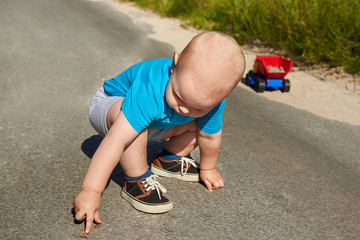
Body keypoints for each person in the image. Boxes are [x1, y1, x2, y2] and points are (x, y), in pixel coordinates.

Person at [74, 31, 246, 234]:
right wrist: (91, 190)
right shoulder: (150, 88)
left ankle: (169, 159)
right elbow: (116, 141)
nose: (184, 109)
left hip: (157, 122)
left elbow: (210, 136)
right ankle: (136, 178)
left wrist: (208, 168)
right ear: (175, 64)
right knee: (132, 126)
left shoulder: (212, 102)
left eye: (197, 107)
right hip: (109, 106)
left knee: (199, 126)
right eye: (179, 96)